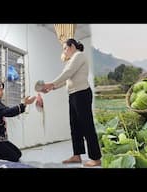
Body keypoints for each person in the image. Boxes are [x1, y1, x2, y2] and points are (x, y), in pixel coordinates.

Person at [41, 38, 102, 167]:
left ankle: (96, 158)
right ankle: (77, 155)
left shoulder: (78, 56)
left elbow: (67, 73)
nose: (64, 51)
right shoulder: (71, 60)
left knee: (87, 125)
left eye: (65, 48)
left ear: (72, 46)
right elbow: (66, 79)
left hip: (82, 93)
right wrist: (52, 87)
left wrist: (51, 83)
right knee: (74, 126)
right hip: (73, 95)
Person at [0, 80, 36, 162]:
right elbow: (8, 112)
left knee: (18, 154)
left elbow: (8, 110)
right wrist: (24, 104)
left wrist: (24, 105)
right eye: (0, 89)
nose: (2, 92)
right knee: (14, 157)